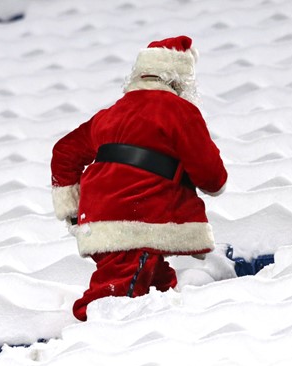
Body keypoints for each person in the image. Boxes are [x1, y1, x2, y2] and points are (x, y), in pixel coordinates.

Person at [50, 35, 228, 321]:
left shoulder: (109, 115)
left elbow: (63, 152)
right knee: (113, 300)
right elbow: (212, 178)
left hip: (101, 217)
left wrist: (72, 209)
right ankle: (89, 342)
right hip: (138, 218)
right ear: (181, 78)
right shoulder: (180, 111)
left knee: (158, 286)